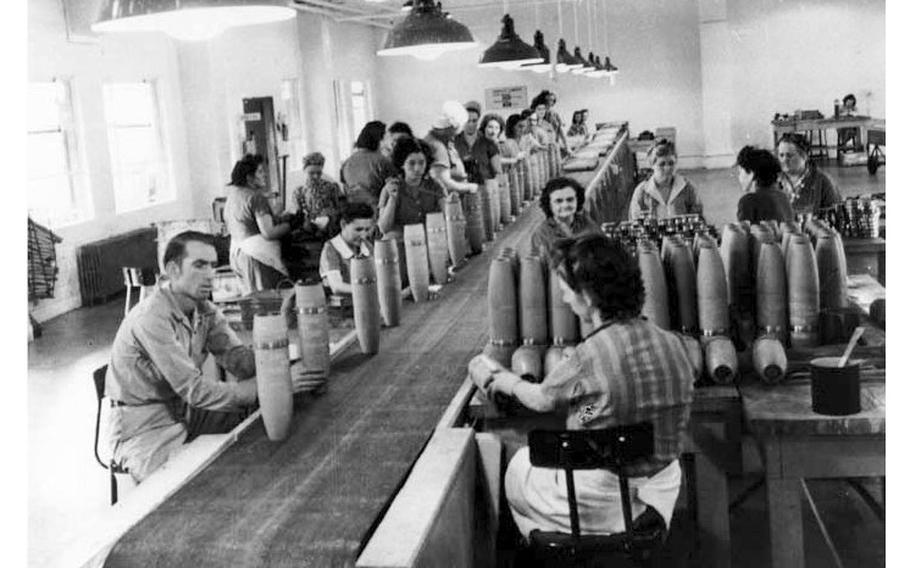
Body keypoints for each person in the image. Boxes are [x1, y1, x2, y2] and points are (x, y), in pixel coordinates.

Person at [468, 233, 696, 539]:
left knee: (517, 463)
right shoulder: (673, 343)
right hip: (659, 492)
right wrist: (582, 406)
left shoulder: (588, 356)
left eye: (566, 291)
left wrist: (508, 381)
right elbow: (611, 407)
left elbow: (540, 400)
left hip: (601, 504)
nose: (563, 298)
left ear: (587, 296)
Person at [105, 231, 259, 483]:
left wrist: (273, 351)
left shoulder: (205, 311)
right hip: (144, 428)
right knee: (184, 490)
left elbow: (239, 362)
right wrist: (256, 389)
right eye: (199, 265)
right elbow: (194, 390)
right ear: (173, 270)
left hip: (186, 412)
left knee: (257, 426)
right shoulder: (152, 317)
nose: (210, 274)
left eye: (213, 265)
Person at [224, 154, 291, 293]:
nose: (264, 175)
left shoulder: (233, 196)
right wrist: (290, 225)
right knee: (269, 302)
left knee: (254, 302)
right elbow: (268, 233)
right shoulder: (255, 197)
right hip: (258, 257)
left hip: (238, 255)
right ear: (249, 177)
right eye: (260, 172)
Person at [377, 136, 448, 239]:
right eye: (411, 163)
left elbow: (448, 216)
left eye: (421, 162)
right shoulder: (390, 188)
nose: (417, 168)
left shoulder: (435, 186)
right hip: (401, 242)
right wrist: (392, 199)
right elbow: (384, 228)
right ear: (402, 164)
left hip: (429, 240)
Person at [529, 177, 598, 264]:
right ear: (549, 205)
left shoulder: (588, 223)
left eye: (570, 200)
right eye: (558, 201)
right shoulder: (542, 234)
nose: (565, 205)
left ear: (577, 200)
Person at [628, 139, 703, 220]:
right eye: (662, 164)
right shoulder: (642, 192)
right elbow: (635, 222)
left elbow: (697, 217)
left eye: (671, 163)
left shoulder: (687, 188)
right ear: (652, 165)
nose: (667, 168)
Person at [776, 133, 842, 216]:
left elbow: (836, 215)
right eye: (781, 155)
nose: (784, 160)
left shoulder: (824, 182)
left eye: (789, 155)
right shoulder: (773, 181)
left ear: (804, 156)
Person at [423, 101, 479, 196]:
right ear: (451, 127)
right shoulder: (437, 146)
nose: (456, 133)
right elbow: (444, 184)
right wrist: (470, 187)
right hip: (449, 201)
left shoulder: (444, 141)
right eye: (456, 129)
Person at [319, 202, 376, 296]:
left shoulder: (367, 247)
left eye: (367, 230)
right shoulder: (331, 249)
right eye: (358, 229)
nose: (364, 235)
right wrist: (369, 289)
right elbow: (337, 286)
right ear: (343, 224)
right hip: (342, 307)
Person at [340, 121, 397, 206]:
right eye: (386, 137)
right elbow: (394, 190)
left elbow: (345, 189)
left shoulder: (346, 163)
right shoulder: (382, 161)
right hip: (378, 210)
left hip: (353, 211)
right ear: (379, 139)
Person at [291, 151, 344, 239]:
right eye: (311, 173)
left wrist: (331, 214)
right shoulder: (298, 192)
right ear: (304, 170)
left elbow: (341, 209)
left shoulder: (332, 187)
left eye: (319, 173)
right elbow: (297, 216)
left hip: (331, 231)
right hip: (309, 233)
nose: (316, 176)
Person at [736, 145, 795, 223]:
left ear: (751, 173)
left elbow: (742, 233)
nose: (739, 177)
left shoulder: (748, 201)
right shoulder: (783, 197)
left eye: (740, 172)